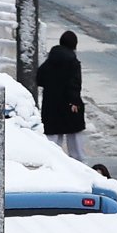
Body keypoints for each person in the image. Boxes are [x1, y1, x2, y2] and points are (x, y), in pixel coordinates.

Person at [37, 30, 86, 160]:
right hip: (69, 106)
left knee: (53, 143)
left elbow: (39, 78)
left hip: (51, 105)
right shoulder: (73, 62)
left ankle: (52, 166)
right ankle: (79, 169)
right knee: (75, 143)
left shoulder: (50, 60)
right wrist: (74, 102)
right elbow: (74, 84)